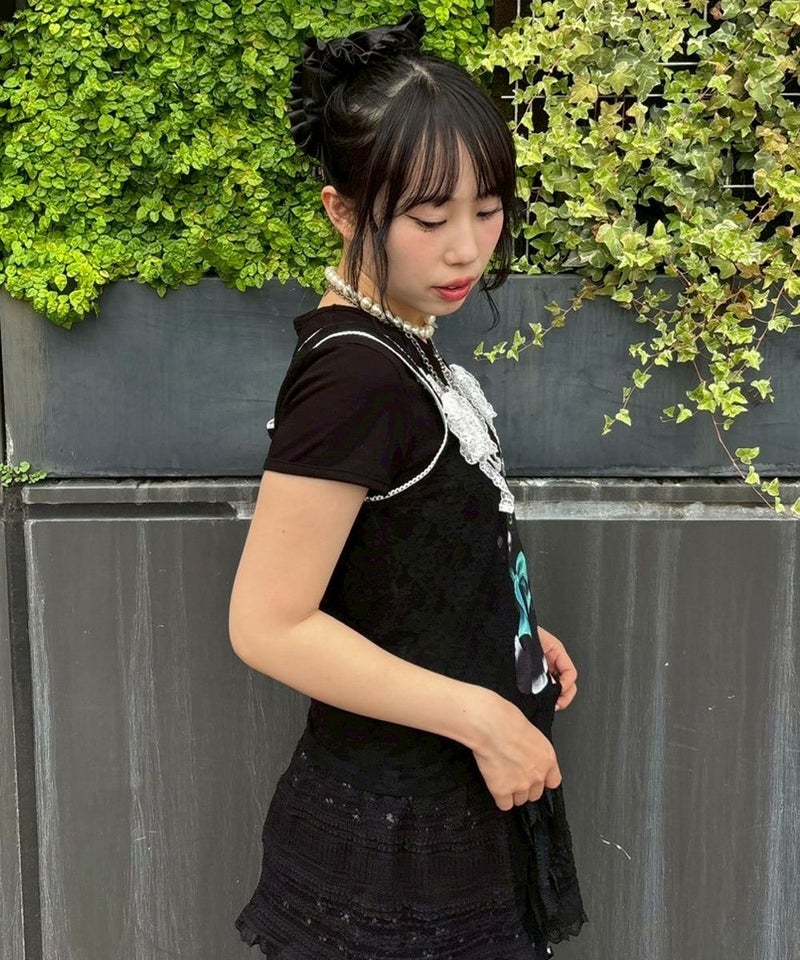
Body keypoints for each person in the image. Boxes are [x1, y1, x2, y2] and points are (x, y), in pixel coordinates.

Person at [228, 11, 588, 959]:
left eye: (488, 209)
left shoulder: (403, 343)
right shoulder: (355, 373)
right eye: (430, 220)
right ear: (345, 212)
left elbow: (399, 554)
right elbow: (267, 623)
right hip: (398, 845)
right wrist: (484, 714)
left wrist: (504, 628)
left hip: (448, 805)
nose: (467, 248)